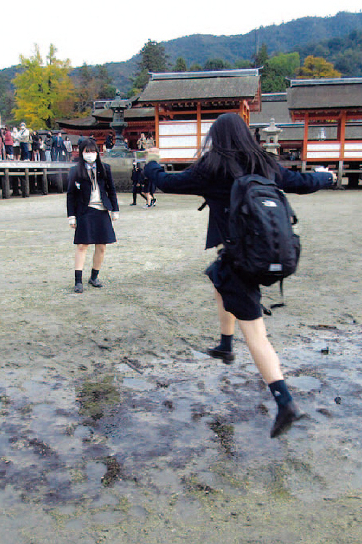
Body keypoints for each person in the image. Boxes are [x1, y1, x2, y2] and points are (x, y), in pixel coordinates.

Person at [143, 112, 336, 438]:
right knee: (218, 279)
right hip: (260, 254)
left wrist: (151, 161)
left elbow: (164, 182)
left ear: (215, 138)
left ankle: (285, 402)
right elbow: (301, 183)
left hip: (242, 261)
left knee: (256, 334)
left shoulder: (211, 168)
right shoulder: (266, 163)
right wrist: (325, 178)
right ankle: (225, 345)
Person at [66, 139, 119, 293]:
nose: (90, 155)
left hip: (102, 210)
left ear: (98, 152)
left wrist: (115, 210)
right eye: (87, 152)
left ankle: (94, 277)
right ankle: (78, 281)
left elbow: (112, 190)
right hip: (84, 210)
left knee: (101, 246)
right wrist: (71, 216)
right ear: (82, 153)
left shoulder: (105, 168)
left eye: (93, 151)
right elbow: (70, 195)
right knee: (82, 245)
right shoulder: (75, 171)